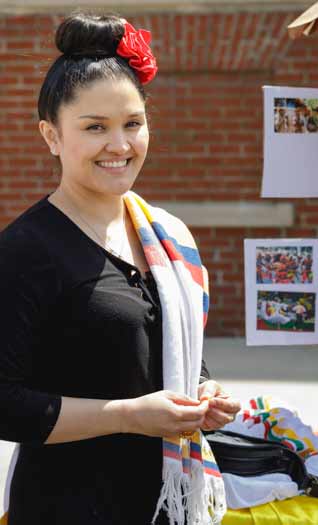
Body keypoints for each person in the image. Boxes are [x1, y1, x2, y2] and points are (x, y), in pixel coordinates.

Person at [0, 12, 240, 525]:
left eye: (133, 124)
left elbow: (170, 357)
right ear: (51, 135)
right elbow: (6, 404)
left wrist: (204, 393)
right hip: (66, 508)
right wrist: (130, 417)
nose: (120, 145)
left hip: (165, 506)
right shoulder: (25, 251)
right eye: (95, 128)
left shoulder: (168, 237)